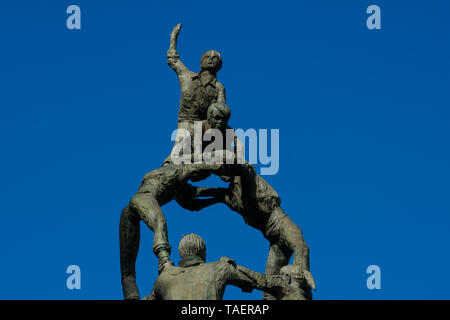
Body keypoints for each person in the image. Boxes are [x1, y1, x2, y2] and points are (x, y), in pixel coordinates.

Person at [183, 163, 316, 299]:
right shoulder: (230, 197)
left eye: (222, 169)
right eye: (218, 173)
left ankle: (303, 291)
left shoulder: (246, 178)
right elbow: (199, 196)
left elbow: (243, 167)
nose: (221, 175)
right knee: (268, 294)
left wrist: (211, 164)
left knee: (301, 247)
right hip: (274, 242)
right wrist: (183, 189)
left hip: (282, 224)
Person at [119, 162, 229, 300]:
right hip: (141, 200)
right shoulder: (174, 170)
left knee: (128, 274)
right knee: (160, 222)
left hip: (129, 213)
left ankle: (131, 294)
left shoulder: (178, 187)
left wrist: (221, 196)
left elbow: (193, 203)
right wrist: (227, 171)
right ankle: (164, 264)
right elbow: (198, 167)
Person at [143, 234, 309, 300]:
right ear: (203, 253)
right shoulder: (219, 267)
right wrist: (284, 281)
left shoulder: (163, 280)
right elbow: (258, 281)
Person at [165, 23, 227, 163]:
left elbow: (220, 111)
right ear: (201, 61)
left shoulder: (218, 87)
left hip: (206, 126)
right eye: (207, 56)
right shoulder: (187, 76)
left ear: (219, 65)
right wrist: (173, 38)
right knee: (175, 159)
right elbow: (173, 60)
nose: (211, 59)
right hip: (186, 124)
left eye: (215, 58)